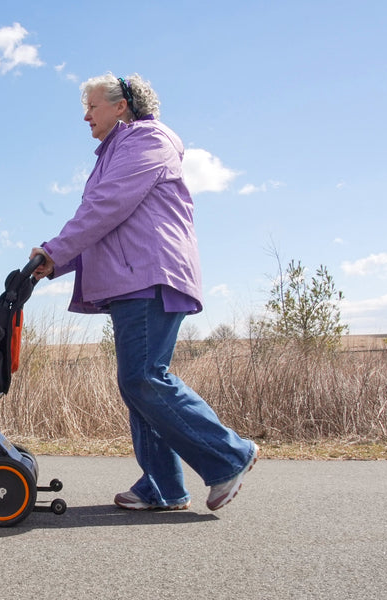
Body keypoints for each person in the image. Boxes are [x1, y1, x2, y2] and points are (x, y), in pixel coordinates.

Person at [30, 73, 257, 511]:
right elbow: (101, 223)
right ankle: (163, 486)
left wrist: (57, 251)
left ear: (121, 106)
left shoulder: (146, 139)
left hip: (149, 275)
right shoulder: (117, 150)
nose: (86, 115)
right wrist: (53, 261)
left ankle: (230, 455)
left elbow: (107, 205)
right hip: (131, 278)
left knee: (144, 378)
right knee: (138, 384)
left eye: (93, 106)